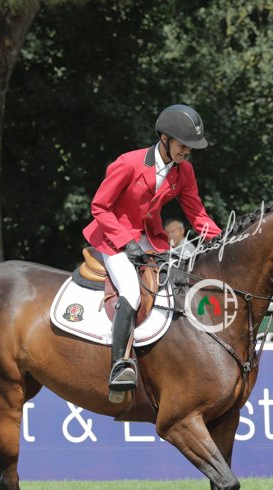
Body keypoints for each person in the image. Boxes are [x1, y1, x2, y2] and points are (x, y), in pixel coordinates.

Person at [83, 104, 222, 395]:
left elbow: (197, 214)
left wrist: (223, 240)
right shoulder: (128, 163)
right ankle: (119, 365)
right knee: (132, 292)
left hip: (150, 238)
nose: (187, 152)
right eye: (183, 145)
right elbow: (100, 207)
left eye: (191, 147)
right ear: (164, 138)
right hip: (113, 236)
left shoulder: (184, 171)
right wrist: (125, 242)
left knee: (179, 283)